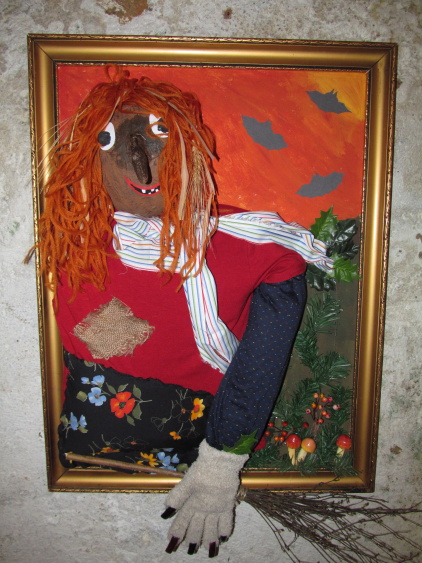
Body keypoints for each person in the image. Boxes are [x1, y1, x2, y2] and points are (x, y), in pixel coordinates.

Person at [35, 67, 332, 557]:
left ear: (187, 147)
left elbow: (264, 356)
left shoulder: (253, 245)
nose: (139, 162)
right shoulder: (78, 245)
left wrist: (220, 464)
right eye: (108, 140)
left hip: (204, 442)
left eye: (159, 134)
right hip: (89, 460)